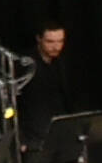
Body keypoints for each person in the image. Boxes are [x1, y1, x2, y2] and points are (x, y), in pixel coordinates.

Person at [16, 20, 73, 149]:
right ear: (39, 39)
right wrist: (21, 139)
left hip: (59, 134)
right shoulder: (25, 65)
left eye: (60, 41)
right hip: (32, 138)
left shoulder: (62, 63)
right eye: (50, 42)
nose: (56, 47)